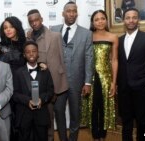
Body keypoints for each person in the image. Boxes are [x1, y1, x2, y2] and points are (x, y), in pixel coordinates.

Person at [50, 1, 93, 141]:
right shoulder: (53, 30)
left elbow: (89, 57)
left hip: (77, 81)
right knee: (58, 111)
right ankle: (63, 138)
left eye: (74, 11)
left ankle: (73, 139)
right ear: (63, 13)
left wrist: (87, 82)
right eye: (69, 11)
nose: (72, 13)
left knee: (75, 113)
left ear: (77, 13)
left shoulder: (86, 33)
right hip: (58, 82)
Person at [117, 8, 145, 141]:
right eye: (128, 17)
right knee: (126, 122)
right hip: (124, 89)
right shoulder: (118, 40)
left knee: (143, 122)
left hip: (142, 88)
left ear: (138, 19)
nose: (131, 20)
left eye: (134, 17)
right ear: (124, 20)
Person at [27, 9, 69, 141]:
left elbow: (62, 59)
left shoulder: (55, 36)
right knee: (47, 119)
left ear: (42, 19)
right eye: (31, 21)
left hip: (58, 84)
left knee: (60, 117)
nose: (34, 23)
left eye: (36, 19)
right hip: (40, 87)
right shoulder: (28, 37)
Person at [81, 10, 118, 141]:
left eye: (102, 18)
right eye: (96, 19)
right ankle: (95, 135)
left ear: (106, 20)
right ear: (92, 22)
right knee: (92, 106)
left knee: (103, 106)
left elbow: (114, 60)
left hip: (106, 77)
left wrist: (114, 82)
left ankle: (102, 135)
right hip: (89, 77)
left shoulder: (113, 37)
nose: (100, 21)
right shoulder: (87, 36)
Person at [12, 41, 54, 141]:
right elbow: (14, 93)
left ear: (38, 53)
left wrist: (41, 99)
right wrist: (27, 101)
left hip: (41, 116)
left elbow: (50, 90)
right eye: (28, 52)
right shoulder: (18, 72)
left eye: (34, 51)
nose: (31, 54)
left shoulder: (45, 71)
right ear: (24, 55)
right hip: (24, 116)